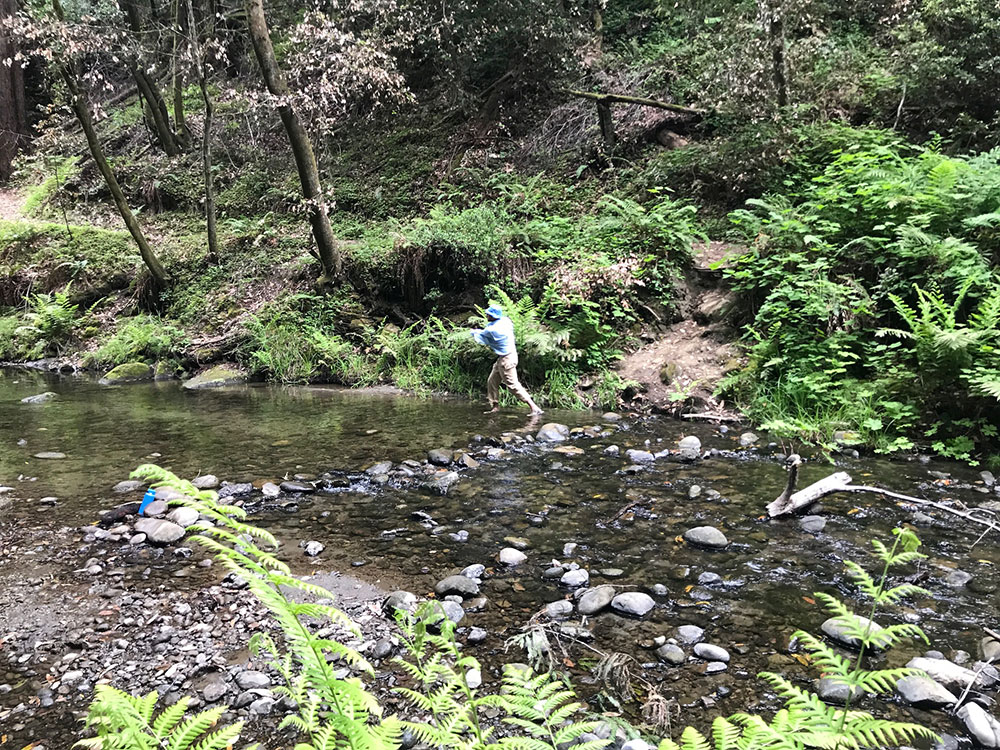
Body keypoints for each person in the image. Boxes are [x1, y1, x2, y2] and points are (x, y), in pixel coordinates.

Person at [471, 305, 544, 416]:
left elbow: (481, 335)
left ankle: (534, 407)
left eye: (488, 314)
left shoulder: (493, 330)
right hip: (506, 356)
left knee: (513, 385)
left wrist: (473, 331)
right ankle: (495, 406)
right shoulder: (505, 321)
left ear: (493, 316)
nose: (486, 315)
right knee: (492, 381)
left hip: (507, 360)